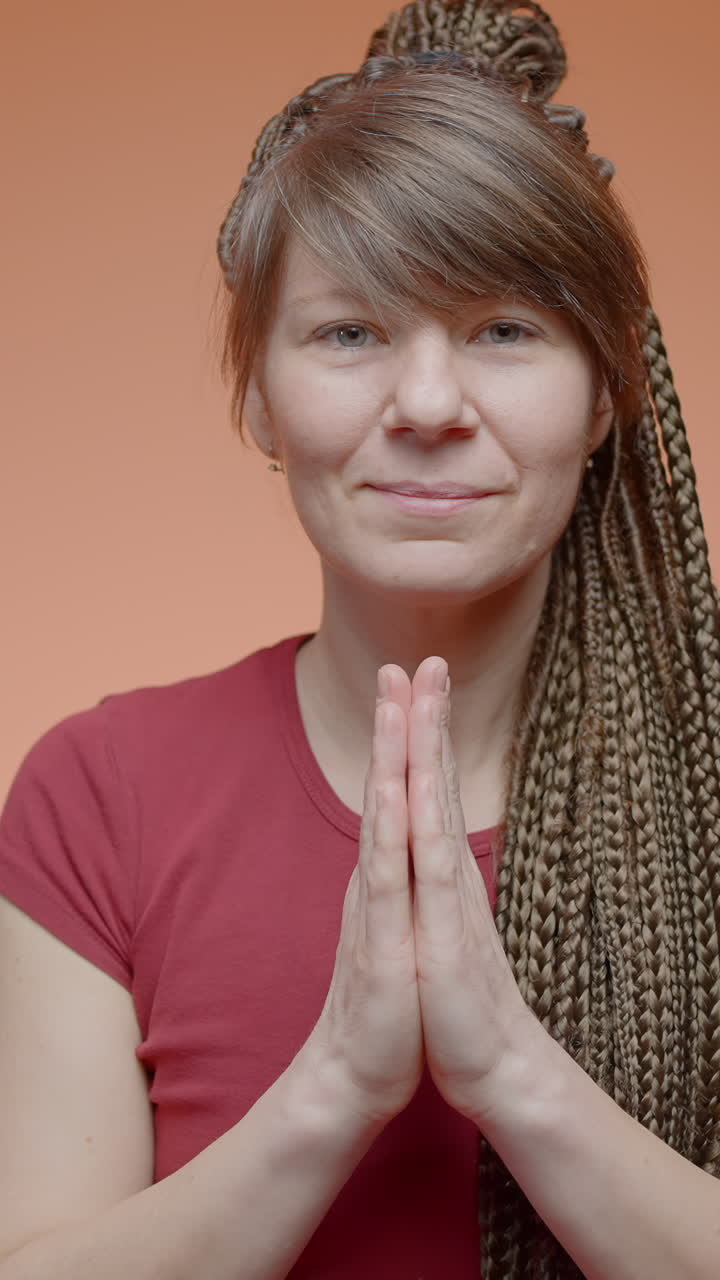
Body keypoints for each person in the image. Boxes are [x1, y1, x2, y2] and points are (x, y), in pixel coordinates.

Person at [1, 0, 719, 1276]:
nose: (429, 403)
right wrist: (337, 1082)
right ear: (258, 394)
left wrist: (513, 1074)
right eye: (352, 331)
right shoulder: (100, 794)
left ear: (607, 392)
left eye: (506, 329)